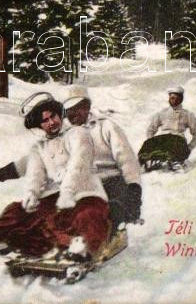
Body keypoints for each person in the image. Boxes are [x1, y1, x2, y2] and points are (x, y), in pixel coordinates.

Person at [0, 95, 110, 260]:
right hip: (55, 196)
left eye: (53, 116)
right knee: (17, 211)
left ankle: (83, 252)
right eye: (45, 121)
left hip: (85, 192)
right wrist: (32, 194)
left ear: (59, 114)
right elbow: (35, 174)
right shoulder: (39, 147)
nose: (51, 122)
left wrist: (68, 192)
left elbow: (79, 164)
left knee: (86, 216)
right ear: (39, 125)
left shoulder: (77, 133)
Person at [61, 85, 142, 230]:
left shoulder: (106, 127)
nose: (72, 114)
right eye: (68, 110)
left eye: (77, 108)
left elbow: (126, 158)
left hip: (111, 181)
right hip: (83, 187)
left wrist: (134, 185)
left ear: (87, 107)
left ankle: (117, 225)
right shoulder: (66, 135)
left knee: (115, 208)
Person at [138, 86, 196, 170]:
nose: (174, 100)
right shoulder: (162, 113)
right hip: (162, 139)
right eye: (172, 98)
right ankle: (143, 164)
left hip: (178, 139)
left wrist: (189, 148)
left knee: (175, 145)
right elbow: (150, 130)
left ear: (181, 99)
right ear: (169, 99)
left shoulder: (188, 114)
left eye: (177, 98)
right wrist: (152, 141)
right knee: (147, 145)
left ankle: (176, 163)